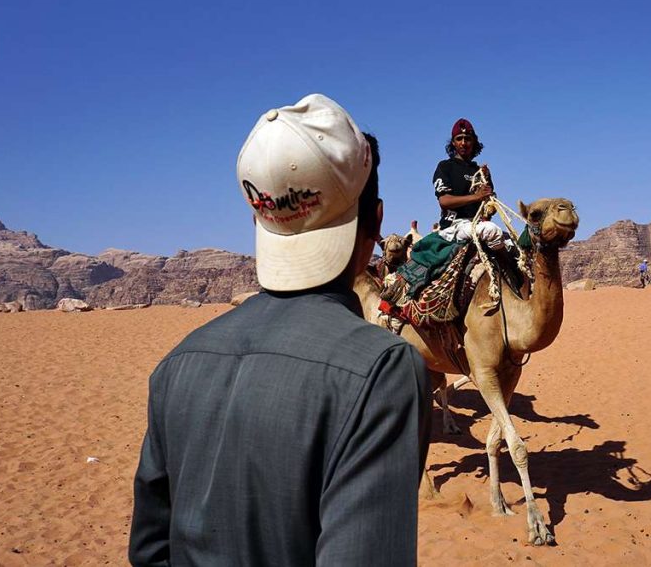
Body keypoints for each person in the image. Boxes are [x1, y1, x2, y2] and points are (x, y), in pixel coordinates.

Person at [129, 94, 432, 567]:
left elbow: (150, 550)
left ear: (258, 215)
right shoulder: (383, 371)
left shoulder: (177, 364)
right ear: (375, 220)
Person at [432, 118, 506, 250]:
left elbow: (488, 208)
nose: (463, 143)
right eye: (459, 139)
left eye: (467, 139)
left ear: (474, 142)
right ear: (453, 143)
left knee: (513, 243)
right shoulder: (445, 167)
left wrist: (489, 200)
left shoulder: (480, 172)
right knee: (492, 231)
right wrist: (477, 196)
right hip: (454, 226)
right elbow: (444, 201)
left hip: (478, 224)